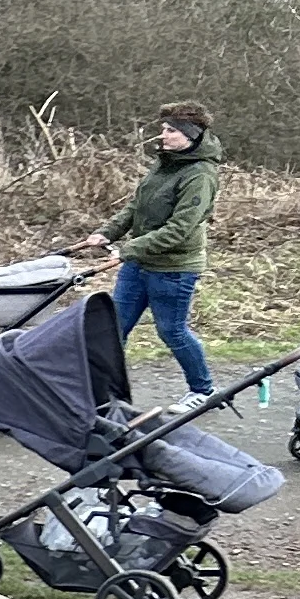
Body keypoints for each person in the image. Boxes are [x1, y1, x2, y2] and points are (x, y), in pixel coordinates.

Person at [74, 102, 222, 401]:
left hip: (173, 269)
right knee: (114, 329)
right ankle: (100, 390)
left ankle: (203, 391)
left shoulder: (200, 176)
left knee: (172, 331)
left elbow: (180, 228)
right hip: (139, 262)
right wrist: (108, 232)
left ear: (190, 135)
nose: (162, 135)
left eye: (170, 131)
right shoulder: (166, 163)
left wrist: (129, 248)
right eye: (163, 129)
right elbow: (136, 206)